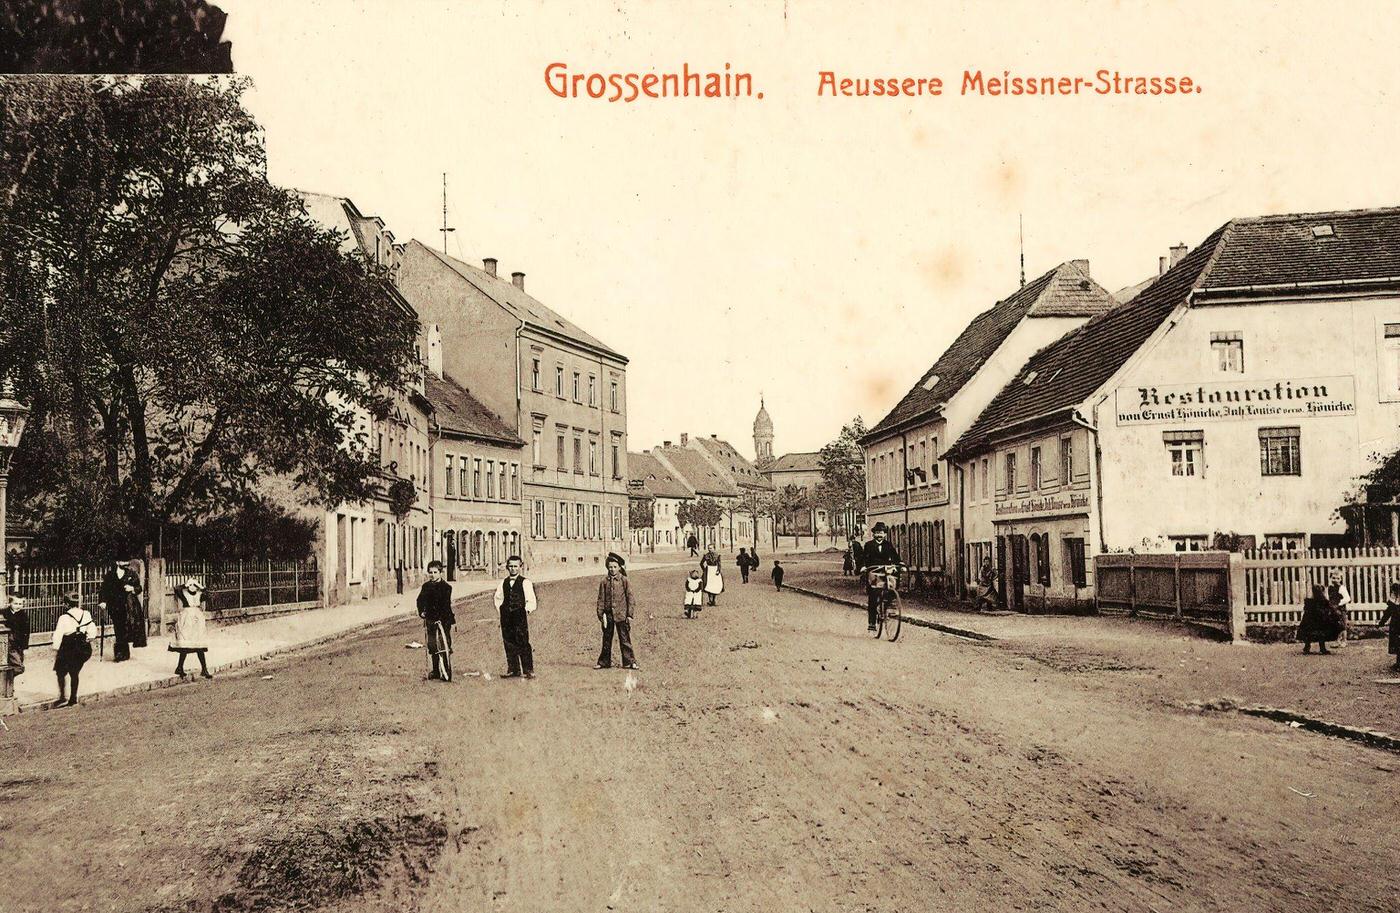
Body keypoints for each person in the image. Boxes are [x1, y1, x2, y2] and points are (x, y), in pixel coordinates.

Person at [493, 555, 536, 679]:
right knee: (508, 641)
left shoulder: (525, 582)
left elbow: (530, 599)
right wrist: (502, 610)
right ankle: (513, 669)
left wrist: (526, 610)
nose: (513, 569)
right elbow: (498, 598)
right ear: (507, 567)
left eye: (515, 566)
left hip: (519, 616)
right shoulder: (503, 583)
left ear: (520, 567)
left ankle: (528, 669)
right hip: (506, 616)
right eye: (510, 566)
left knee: (522, 641)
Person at [51, 592, 94, 707]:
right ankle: (73, 698)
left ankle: (63, 697)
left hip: (68, 647)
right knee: (74, 672)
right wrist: (88, 638)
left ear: (66, 604)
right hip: (83, 647)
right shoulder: (86, 614)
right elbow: (92, 631)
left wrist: (55, 648)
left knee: (60, 672)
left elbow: (58, 635)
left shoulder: (63, 618)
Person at [595, 553, 638, 670]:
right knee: (607, 639)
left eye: (615, 567)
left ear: (619, 568)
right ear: (607, 568)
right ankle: (604, 662)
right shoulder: (604, 582)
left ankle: (629, 661)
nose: (612, 569)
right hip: (608, 615)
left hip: (621, 615)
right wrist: (601, 614)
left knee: (625, 639)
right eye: (610, 567)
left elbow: (630, 598)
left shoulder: (624, 581)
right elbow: (601, 599)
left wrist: (629, 614)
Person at [859, 522, 902, 633]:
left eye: (881, 533)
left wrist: (900, 564)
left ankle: (889, 607)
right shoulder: (869, 545)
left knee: (892, 587)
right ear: (874, 534)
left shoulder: (888, 545)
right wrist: (863, 566)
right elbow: (864, 557)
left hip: (885, 571)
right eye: (877, 533)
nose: (879, 535)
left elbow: (895, 557)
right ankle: (872, 622)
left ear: (885, 534)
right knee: (873, 597)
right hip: (873, 571)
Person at [97, 557, 143, 662]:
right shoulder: (110, 575)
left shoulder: (132, 574)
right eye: (123, 561)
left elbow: (139, 588)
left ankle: (120, 653)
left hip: (128, 606)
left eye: (127, 561)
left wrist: (132, 589)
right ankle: (122, 653)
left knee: (124, 628)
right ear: (118, 562)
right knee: (118, 628)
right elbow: (104, 589)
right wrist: (103, 601)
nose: (126, 563)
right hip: (114, 606)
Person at [417, 560, 455, 681]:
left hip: (444, 619)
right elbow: (420, 600)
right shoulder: (426, 587)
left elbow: (445, 605)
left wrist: (441, 619)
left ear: (440, 573)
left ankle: (446, 670)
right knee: (432, 644)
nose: (432, 575)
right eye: (430, 572)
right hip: (430, 619)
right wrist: (421, 611)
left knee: (443, 644)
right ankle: (436, 671)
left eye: (435, 572)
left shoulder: (446, 588)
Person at [170, 577, 213, 679]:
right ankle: (180, 667)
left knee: (199, 644)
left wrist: (201, 587)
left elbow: (209, 594)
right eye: (190, 585)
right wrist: (185, 584)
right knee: (186, 644)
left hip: (197, 621)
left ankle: (204, 669)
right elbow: (176, 588)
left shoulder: (199, 595)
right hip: (186, 621)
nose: (192, 587)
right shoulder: (183, 594)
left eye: (194, 585)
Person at [1297, 583, 1339, 654]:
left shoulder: (1309, 602)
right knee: (1321, 635)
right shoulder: (1324, 601)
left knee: (1309, 635)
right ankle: (1322, 649)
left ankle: (1307, 647)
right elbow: (1329, 610)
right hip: (1320, 622)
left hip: (1310, 622)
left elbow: (1306, 610)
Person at [2, 590, 30, 681]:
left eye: (20, 604)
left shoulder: (23, 615)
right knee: (18, 667)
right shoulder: (3, 613)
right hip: (7, 644)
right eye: (15, 603)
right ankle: (5, 684)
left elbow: (26, 632)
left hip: (18, 645)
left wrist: (25, 647)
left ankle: (7, 685)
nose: (18, 606)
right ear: (10, 603)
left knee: (16, 668)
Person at [1326, 571, 1351, 649]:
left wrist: (1338, 604)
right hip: (1333, 609)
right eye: (1333, 578)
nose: (1335, 580)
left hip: (1341, 609)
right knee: (1336, 625)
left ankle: (1344, 640)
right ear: (1330, 578)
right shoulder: (1330, 588)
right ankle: (1337, 641)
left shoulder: (1342, 588)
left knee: (1342, 625)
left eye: (1338, 578)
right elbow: (1328, 597)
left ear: (1341, 579)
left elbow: (1347, 598)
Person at [1379, 582, 1400, 671]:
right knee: (1397, 643)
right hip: (1395, 626)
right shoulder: (1393, 603)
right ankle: (1398, 663)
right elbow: (1388, 612)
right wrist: (1382, 622)